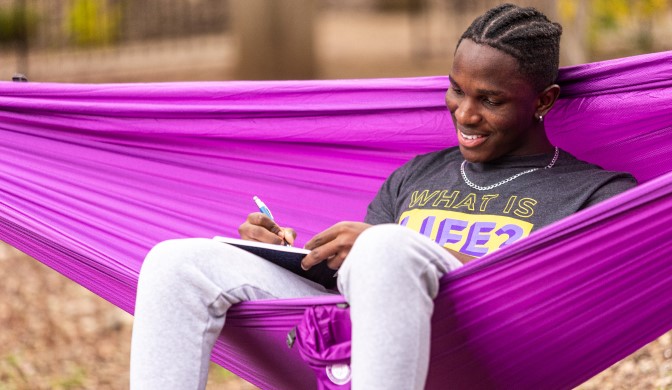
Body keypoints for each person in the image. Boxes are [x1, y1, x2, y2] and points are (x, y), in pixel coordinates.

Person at [129, 3, 637, 389]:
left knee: (387, 245)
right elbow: (354, 289)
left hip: (491, 352)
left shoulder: (595, 194)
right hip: (382, 347)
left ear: (543, 101)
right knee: (176, 262)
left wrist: (387, 244)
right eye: (457, 90)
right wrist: (292, 254)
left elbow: (558, 297)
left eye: (491, 100)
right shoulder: (416, 175)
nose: (464, 114)